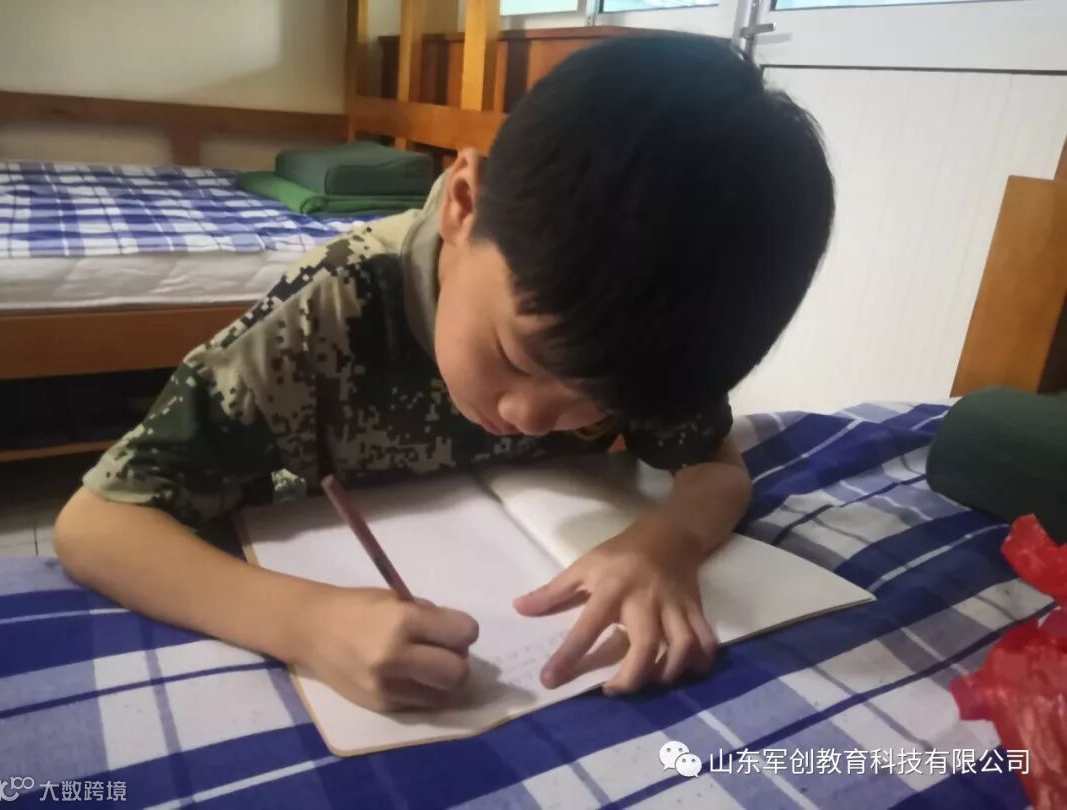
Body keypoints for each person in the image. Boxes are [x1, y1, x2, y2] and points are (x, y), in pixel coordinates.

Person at [55, 33, 834, 712]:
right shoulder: (329, 308)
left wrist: (664, 540)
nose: (535, 416)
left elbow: (713, 466)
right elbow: (94, 527)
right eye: (518, 359)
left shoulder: (643, 331)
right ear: (463, 202)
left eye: (598, 402)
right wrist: (304, 623)